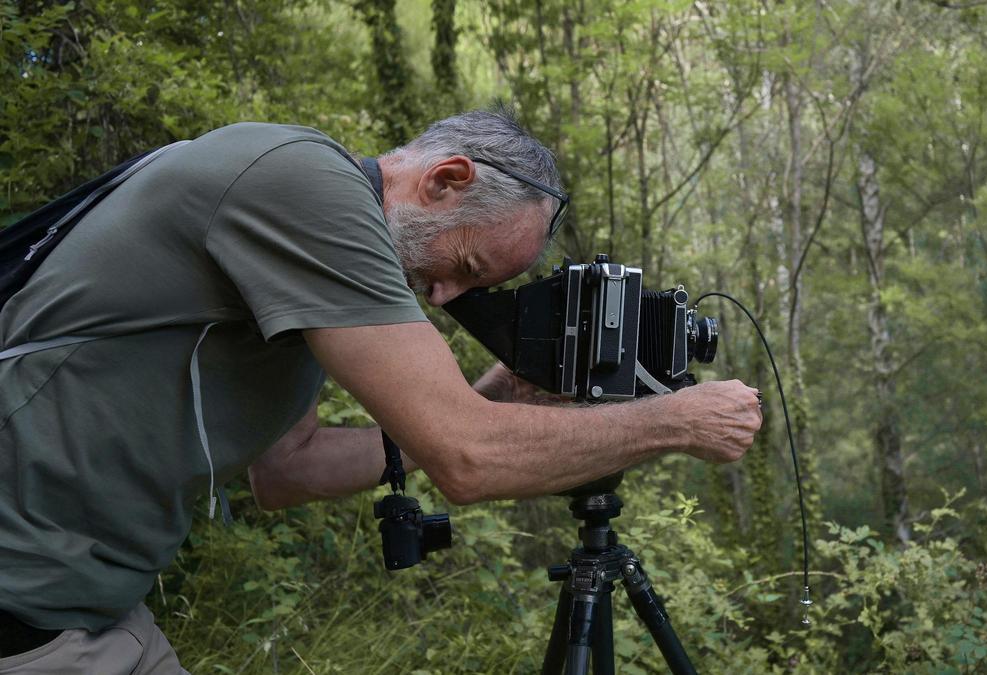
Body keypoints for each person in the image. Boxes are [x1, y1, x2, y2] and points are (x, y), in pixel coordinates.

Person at [0, 108, 762, 673]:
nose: (440, 297)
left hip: (85, 605)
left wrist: (488, 400)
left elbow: (289, 467)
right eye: (463, 266)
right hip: (25, 605)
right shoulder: (300, 183)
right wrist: (673, 419)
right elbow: (466, 459)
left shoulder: (304, 258)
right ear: (445, 178)